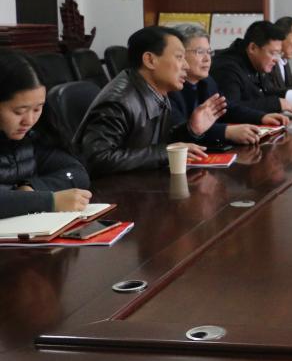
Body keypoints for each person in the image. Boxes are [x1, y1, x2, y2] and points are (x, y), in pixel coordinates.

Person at [74, 26, 223, 176]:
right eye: (179, 57)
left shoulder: (156, 90)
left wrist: (191, 129)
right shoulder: (119, 102)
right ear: (150, 60)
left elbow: (159, 141)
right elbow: (99, 159)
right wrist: (165, 153)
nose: (186, 65)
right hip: (115, 187)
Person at [0, 49, 91, 218]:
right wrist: (48, 201)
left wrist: (32, 187)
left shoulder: (31, 137)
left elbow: (76, 172)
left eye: (37, 109)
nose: (29, 120)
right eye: (19, 111)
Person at [169, 25, 290, 147]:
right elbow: (181, 133)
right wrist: (226, 132)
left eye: (209, 52)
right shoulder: (170, 88)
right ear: (179, 55)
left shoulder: (206, 81)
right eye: (200, 52)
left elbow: (227, 107)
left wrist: (261, 117)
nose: (207, 59)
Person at [210, 21, 292, 114]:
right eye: (273, 53)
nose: (277, 60)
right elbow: (229, 108)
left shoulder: (257, 62)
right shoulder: (227, 68)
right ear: (253, 48)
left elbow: (267, 91)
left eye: (279, 53)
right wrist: (276, 104)